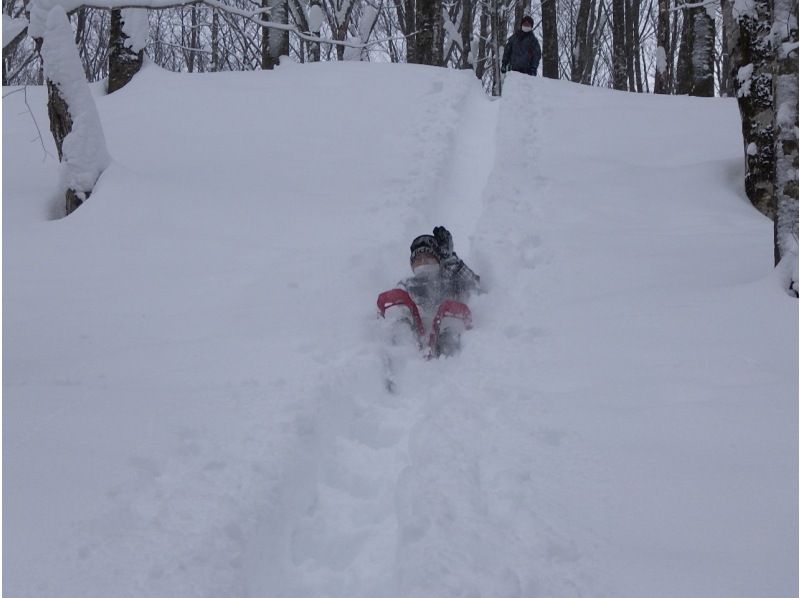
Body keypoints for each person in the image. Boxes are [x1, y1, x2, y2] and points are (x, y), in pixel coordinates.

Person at [399, 226, 481, 316]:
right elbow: (396, 308)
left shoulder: (452, 282)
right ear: (412, 266)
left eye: (428, 257)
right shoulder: (407, 286)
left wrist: (450, 259)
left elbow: (475, 288)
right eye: (418, 259)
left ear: (438, 262)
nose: (423, 262)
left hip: (452, 321)